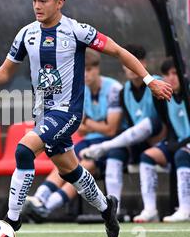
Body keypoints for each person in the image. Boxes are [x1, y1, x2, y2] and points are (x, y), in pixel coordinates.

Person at [0, 0, 172, 237]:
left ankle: (12, 218)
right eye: (34, 0)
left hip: (67, 112)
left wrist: (150, 80)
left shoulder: (77, 31)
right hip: (43, 115)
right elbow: (6, 71)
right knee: (70, 170)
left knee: (24, 150)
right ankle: (106, 208)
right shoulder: (26, 33)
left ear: (60, 2)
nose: (37, 6)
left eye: (43, 0)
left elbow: (118, 51)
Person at [23, 48, 123, 222]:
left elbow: (111, 130)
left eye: (89, 69)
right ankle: (40, 198)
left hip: (113, 145)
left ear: (97, 68)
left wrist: (88, 123)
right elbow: (80, 127)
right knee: (63, 160)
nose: (85, 74)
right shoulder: (78, 89)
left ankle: (48, 207)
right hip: (90, 140)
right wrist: (92, 124)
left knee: (83, 163)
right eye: (82, 69)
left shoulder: (113, 88)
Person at [81, 45, 167, 211]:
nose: (132, 68)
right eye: (128, 63)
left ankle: (150, 210)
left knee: (150, 123)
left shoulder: (158, 84)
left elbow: (165, 120)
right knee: (115, 154)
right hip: (139, 142)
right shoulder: (124, 91)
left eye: (136, 62)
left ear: (144, 64)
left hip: (161, 140)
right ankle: (114, 210)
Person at [133, 58, 190, 222]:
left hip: (183, 146)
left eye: (175, 73)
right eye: (166, 74)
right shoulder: (164, 96)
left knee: (181, 154)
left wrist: (178, 145)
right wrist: (171, 143)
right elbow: (168, 124)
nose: (171, 78)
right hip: (178, 143)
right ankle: (150, 210)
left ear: (183, 73)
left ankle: (185, 210)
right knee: (147, 156)